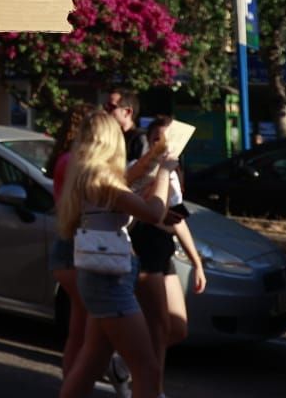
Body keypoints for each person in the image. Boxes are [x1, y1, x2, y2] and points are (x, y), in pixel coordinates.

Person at [57, 110, 173, 398]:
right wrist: (165, 171)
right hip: (110, 282)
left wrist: (154, 157)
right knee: (147, 368)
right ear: (111, 142)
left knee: (91, 361)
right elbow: (153, 212)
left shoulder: (88, 175)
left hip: (101, 277)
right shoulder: (104, 182)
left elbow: (129, 181)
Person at [129, 115, 205, 393]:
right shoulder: (135, 170)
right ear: (149, 142)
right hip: (143, 250)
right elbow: (136, 214)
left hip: (164, 251)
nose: (164, 144)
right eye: (157, 139)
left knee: (177, 328)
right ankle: (153, 388)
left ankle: (124, 362)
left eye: (169, 139)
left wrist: (197, 263)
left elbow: (178, 220)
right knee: (158, 327)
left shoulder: (172, 172)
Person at [47, 101, 97, 380]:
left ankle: (73, 383)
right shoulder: (74, 162)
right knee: (89, 326)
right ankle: (77, 383)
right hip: (72, 246)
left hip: (69, 245)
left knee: (79, 327)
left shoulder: (66, 158)